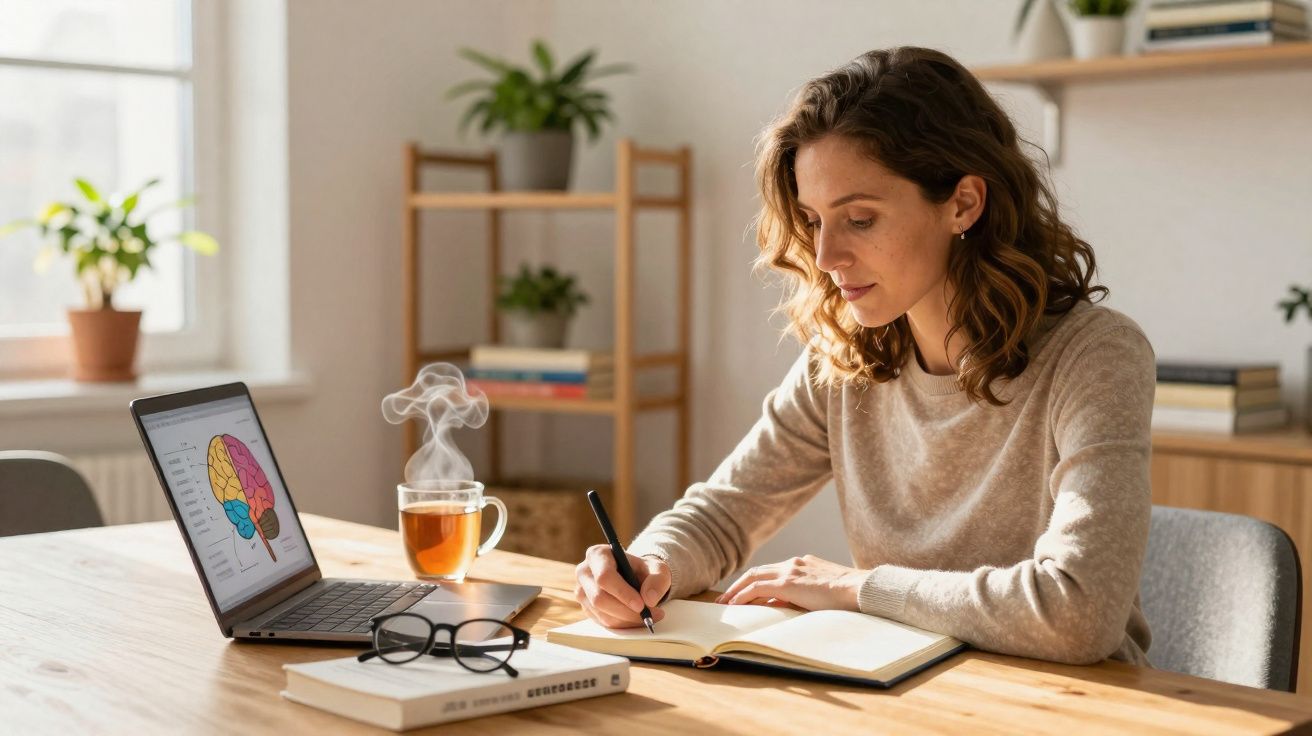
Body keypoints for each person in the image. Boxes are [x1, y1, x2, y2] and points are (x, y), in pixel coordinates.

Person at [573, 46, 1154, 666]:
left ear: (963, 203)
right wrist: (649, 562)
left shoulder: (1095, 356)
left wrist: (856, 589)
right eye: (814, 220)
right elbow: (723, 514)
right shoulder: (848, 358)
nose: (825, 257)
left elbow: (1078, 611)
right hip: (906, 694)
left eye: (859, 219)